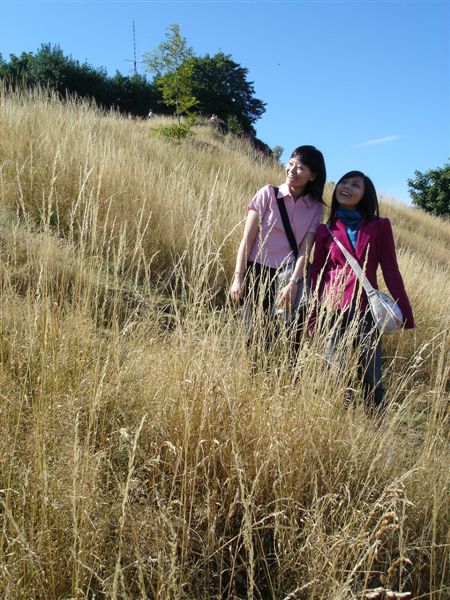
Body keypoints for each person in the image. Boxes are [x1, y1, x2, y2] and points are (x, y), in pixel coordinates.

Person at [309, 170, 414, 409]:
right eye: (343, 182)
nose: (346, 187)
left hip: (368, 311)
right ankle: (338, 423)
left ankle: (377, 426)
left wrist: (405, 313)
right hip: (332, 311)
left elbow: (391, 270)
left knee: (371, 376)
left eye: (355, 185)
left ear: (366, 194)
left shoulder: (379, 226)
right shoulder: (326, 230)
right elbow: (317, 273)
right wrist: (314, 315)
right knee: (334, 371)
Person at [230, 145, 326, 364]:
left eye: (300, 167)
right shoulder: (267, 194)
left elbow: (305, 249)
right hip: (257, 271)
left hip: (288, 275)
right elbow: (247, 238)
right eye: (290, 164)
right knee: (253, 335)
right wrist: (238, 278)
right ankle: (253, 380)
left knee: (286, 334)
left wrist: (294, 282)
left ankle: (283, 380)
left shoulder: (315, 208)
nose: (292, 170)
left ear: (313, 176)